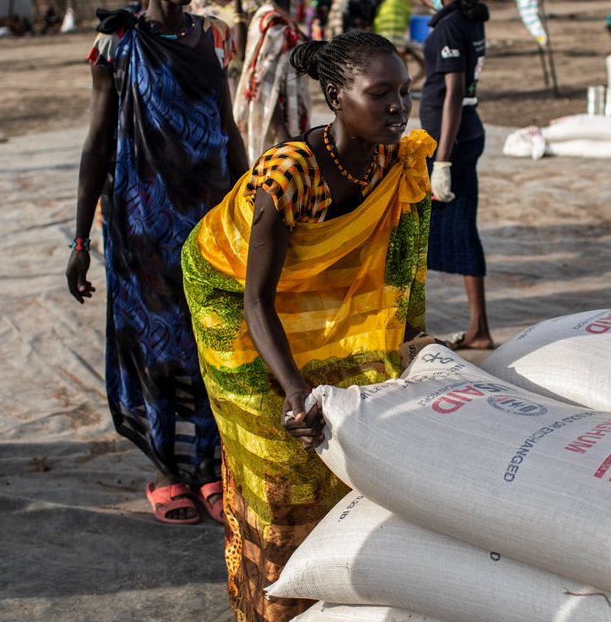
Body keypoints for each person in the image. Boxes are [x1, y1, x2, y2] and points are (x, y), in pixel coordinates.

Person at [183, 30, 435, 621]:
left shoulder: (391, 163)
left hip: (305, 293)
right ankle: (270, 607)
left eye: (404, 91)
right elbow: (254, 300)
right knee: (279, 452)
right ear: (335, 96)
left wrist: (412, 349)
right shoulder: (288, 174)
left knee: (347, 419)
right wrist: (294, 390)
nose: (399, 106)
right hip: (228, 294)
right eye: (381, 94)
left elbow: (396, 270)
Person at [66, 0, 249, 526]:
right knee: (156, 346)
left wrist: (250, 205)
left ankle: (210, 467)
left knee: (211, 337)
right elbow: (96, 144)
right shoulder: (116, 44)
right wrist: (79, 238)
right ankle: (170, 472)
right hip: (141, 226)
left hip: (207, 218)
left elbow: (227, 129)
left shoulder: (211, 40)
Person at [388, 0, 494, 350]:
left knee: (436, 229)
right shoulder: (467, 15)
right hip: (463, 136)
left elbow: (452, 95)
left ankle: (473, 329)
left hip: (453, 140)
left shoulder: (449, 27)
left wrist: (443, 162)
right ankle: (475, 327)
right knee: (449, 226)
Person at [233, 0, 311, 162]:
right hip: (277, 133)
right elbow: (262, 85)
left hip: (286, 126)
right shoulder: (273, 23)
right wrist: (287, 140)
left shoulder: (274, 18)